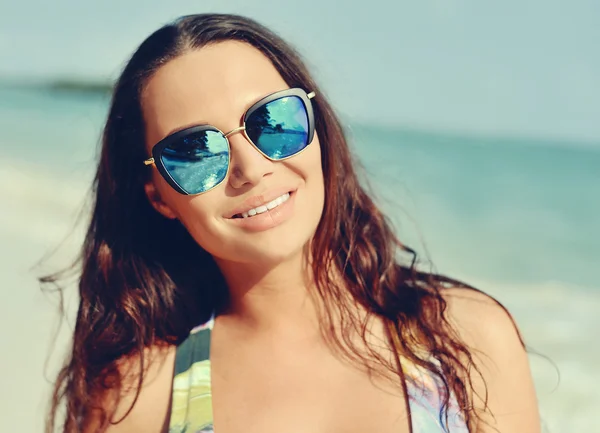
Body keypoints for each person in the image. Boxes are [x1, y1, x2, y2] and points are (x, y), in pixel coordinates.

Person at [43, 13, 540, 433]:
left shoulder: (461, 339)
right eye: (194, 152)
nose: (251, 168)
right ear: (159, 197)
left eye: (273, 121)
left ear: (316, 128)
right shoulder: (140, 398)